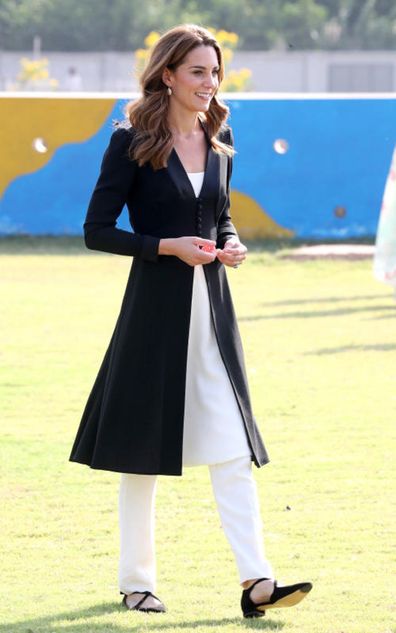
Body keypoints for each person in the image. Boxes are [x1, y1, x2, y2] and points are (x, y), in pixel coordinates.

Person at [69, 23, 312, 618]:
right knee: (140, 453)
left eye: (215, 72)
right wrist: (165, 247)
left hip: (215, 315)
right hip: (155, 317)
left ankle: (258, 582)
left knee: (232, 447)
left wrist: (229, 244)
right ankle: (136, 582)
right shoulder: (130, 141)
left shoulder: (221, 136)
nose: (210, 83)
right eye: (198, 71)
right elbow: (97, 231)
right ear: (168, 75)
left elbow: (219, 216)